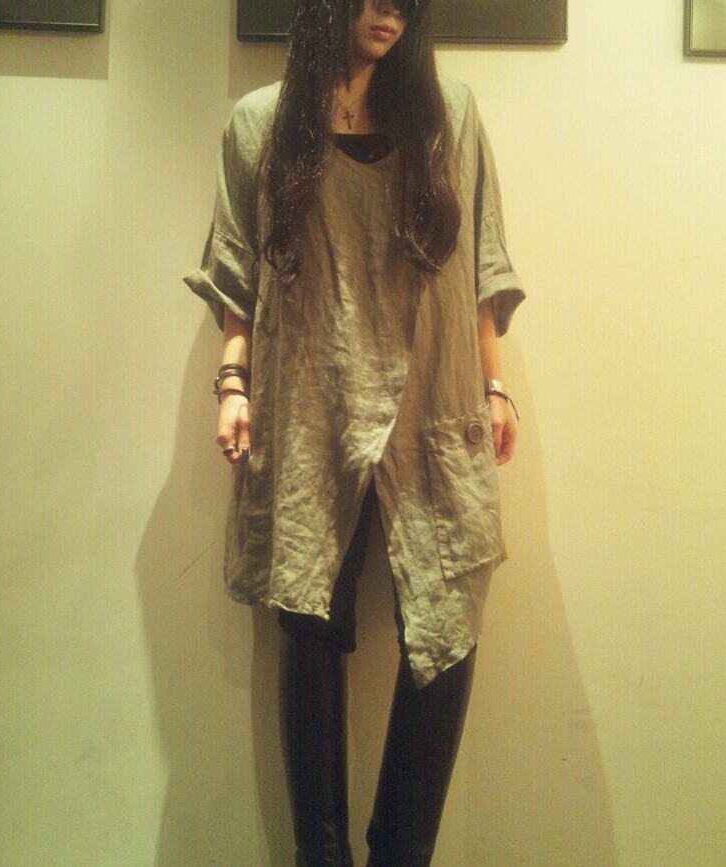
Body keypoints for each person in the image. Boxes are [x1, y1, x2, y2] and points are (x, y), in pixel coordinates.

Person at [185, 1, 525, 864]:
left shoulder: (450, 116)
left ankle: (401, 853)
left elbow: (481, 267)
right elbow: (239, 276)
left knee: (448, 617)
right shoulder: (260, 125)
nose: (389, 9)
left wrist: (495, 385)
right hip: (308, 401)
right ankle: (322, 854)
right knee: (309, 620)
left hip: (433, 401)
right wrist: (233, 382)